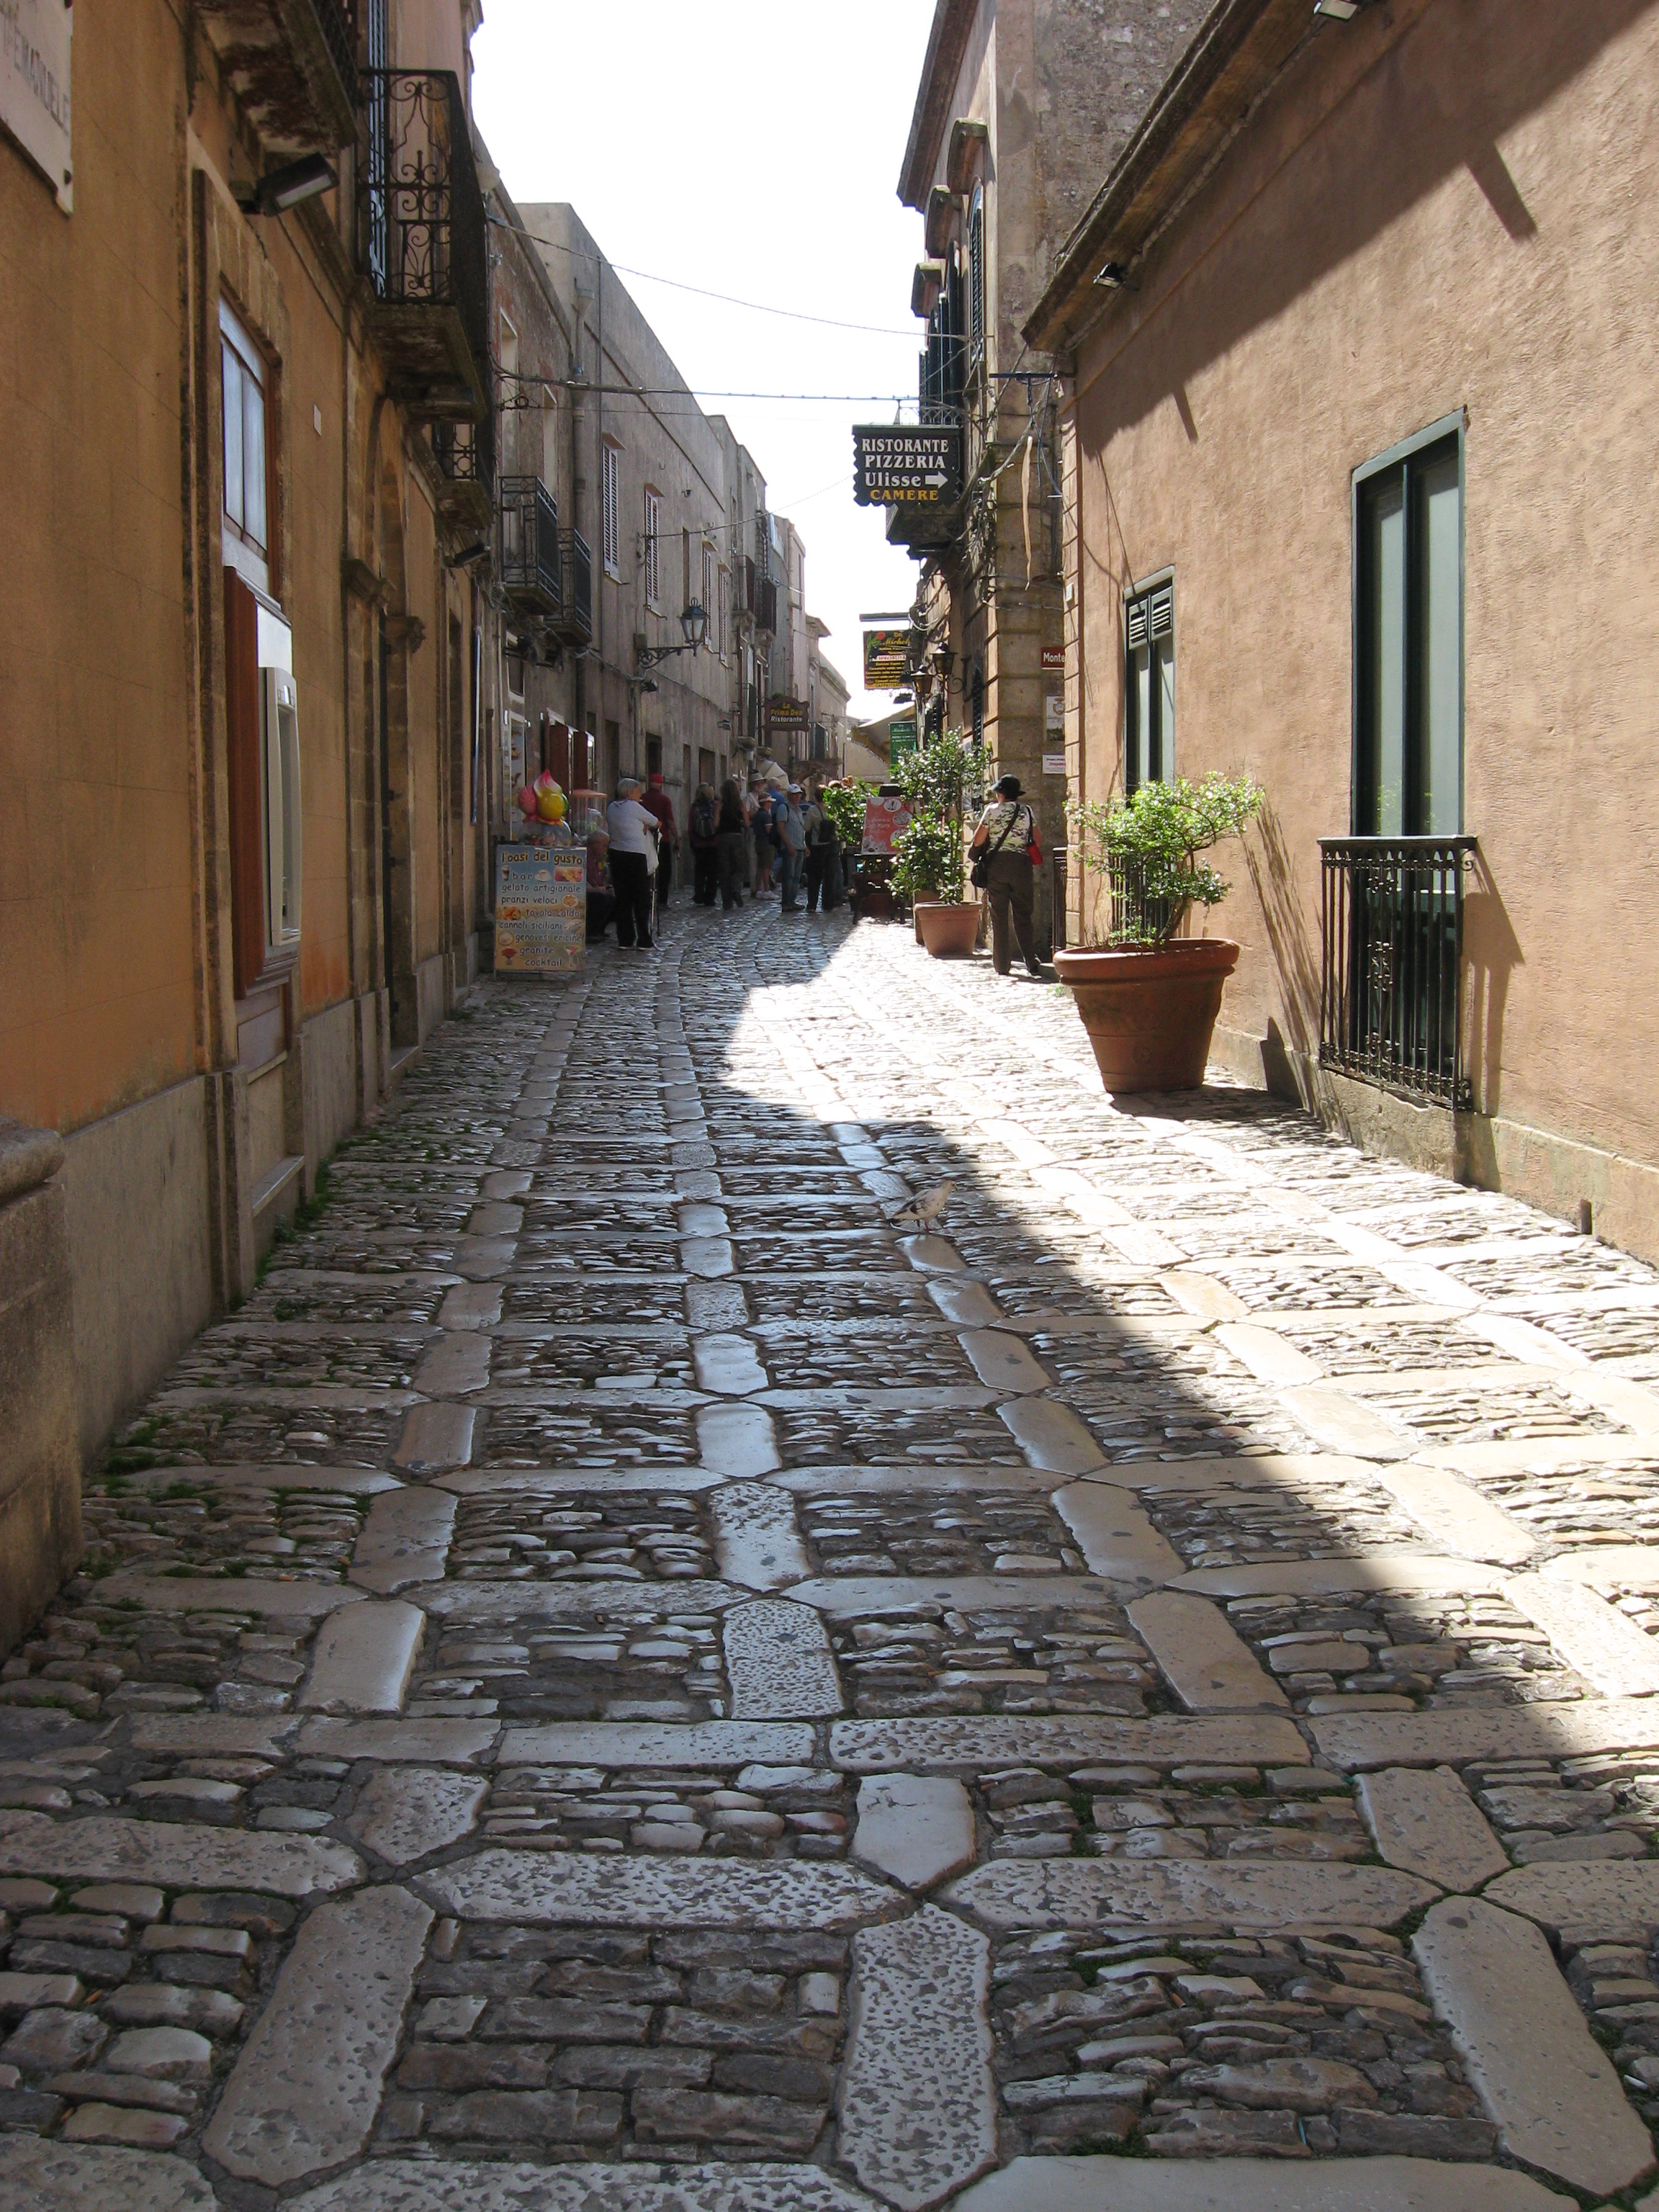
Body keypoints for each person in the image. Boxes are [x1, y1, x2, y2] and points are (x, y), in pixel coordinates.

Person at [968, 772, 1046, 979]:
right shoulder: (1026, 811)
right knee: (1023, 914)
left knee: (999, 915)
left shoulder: (991, 811)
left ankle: (1002, 964)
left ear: (1001, 794)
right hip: (1022, 866)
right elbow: (1038, 839)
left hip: (998, 867)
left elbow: (978, 841)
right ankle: (1030, 961)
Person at [605, 776, 660, 950]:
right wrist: (644, 824)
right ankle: (644, 939)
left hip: (616, 853)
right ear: (629, 793)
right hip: (635, 854)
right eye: (637, 792)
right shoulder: (634, 807)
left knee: (623, 897)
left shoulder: (611, 807)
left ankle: (625, 939)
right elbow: (656, 822)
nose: (640, 795)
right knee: (641, 896)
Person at [640, 770, 679, 913]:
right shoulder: (664, 800)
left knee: (646, 868)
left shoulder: (642, 798)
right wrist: (677, 838)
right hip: (662, 839)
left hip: (644, 838)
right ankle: (662, 900)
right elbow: (670, 821)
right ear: (661, 785)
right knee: (664, 870)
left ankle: (645, 897)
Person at [802, 785, 842, 914]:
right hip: (833, 844)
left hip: (817, 845)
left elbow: (807, 828)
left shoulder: (813, 810)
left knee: (815, 876)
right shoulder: (834, 809)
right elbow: (839, 827)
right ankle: (828, 904)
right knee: (830, 876)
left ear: (816, 797)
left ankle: (812, 904)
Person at [715, 778, 748, 911]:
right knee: (738, 867)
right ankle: (736, 889)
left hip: (723, 838)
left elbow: (715, 824)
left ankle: (727, 902)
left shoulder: (720, 805)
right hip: (737, 837)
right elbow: (747, 823)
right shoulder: (741, 804)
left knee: (724, 870)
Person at [775, 783, 807, 912]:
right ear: (789, 795)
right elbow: (780, 828)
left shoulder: (798, 810)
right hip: (790, 847)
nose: (797, 797)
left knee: (796, 877)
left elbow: (801, 830)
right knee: (789, 876)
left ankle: (792, 901)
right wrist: (788, 845)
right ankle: (786, 902)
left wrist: (805, 846)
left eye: (798, 795)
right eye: (794, 795)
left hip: (799, 847)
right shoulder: (784, 808)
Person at [688, 781, 719, 907]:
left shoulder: (694, 807)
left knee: (700, 871)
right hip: (713, 843)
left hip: (699, 844)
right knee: (713, 872)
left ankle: (699, 895)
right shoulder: (715, 805)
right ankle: (710, 898)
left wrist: (692, 841)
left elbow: (691, 826)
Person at [583, 823, 615, 943]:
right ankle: (592, 931)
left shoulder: (597, 858)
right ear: (595, 844)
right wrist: (596, 889)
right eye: (604, 846)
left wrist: (606, 887)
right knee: (603, 899)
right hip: (586, 892)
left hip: (595, 889)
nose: (606, 849)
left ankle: (600, 929)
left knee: (615, 898)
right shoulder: (584, 856)